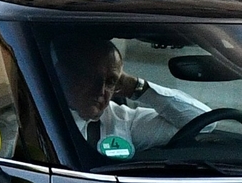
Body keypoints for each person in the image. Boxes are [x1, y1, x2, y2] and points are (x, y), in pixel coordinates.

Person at [48, 31, 208, 157]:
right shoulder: (39, 113)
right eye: (90, 77)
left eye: (110, 82)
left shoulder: (122, 120)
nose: (100, 90)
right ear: (64, 74)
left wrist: (135, 86)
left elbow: (205, 124)